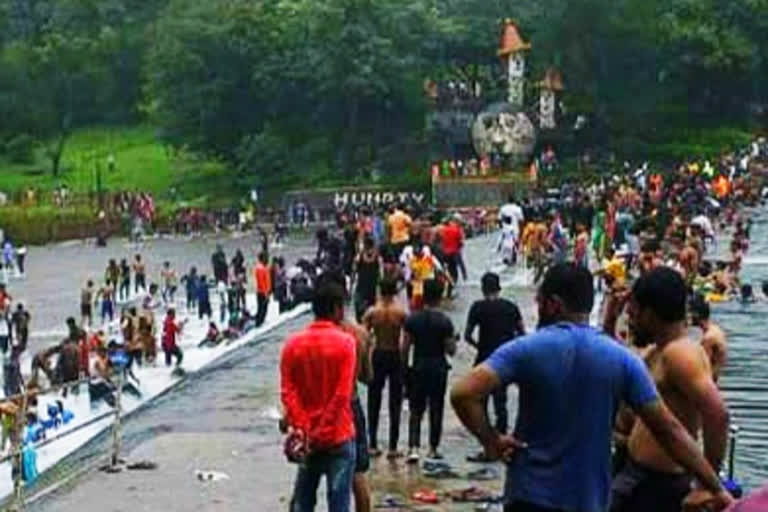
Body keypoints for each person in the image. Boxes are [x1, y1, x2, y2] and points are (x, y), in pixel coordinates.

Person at [450, 263, 733, 512]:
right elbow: (668, 429)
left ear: (552, 304)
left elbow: (463, 393)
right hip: (588, 498)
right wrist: (715, 486)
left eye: (539, 301)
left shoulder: (525, 349)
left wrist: (491, 440)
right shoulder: (622, 359)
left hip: (529, 494)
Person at [611, 268, 731, 512]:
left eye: (634, 312)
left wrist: (706, 485)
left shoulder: (681, 354)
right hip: (638, 477)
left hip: (660, 487)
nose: (631, 319)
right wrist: (609, 320)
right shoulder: (658, 352)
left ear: (651, 314)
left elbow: (717, 415)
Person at [280, 280, 357, 512]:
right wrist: (323, 430)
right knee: (339, 503)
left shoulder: (292, 345)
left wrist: (306, 428)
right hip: (338, 435)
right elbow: (342, 395)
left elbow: (288, 392)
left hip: (306, 439)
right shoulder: (346, 343)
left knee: (303, 502)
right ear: (336, 309)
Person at [464, 273, 525, 454]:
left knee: (479, 404)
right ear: (499, 287)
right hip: (505, 360)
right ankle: (502, 442)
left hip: (484, 359)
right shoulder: (511, 307)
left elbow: (467, 336)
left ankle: (486, 444)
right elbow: (522, 334)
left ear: (483, 288)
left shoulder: (477, 307)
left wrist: (479, 346)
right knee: (501, 403)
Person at [402, 279, 456, 463]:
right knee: (436, 407)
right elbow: (451, 350)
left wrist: (405, 370)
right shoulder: (445, 321)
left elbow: (405, 347)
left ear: (423, 295)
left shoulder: (413, 319)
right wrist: (453, 341)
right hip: (438, 368)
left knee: (416, 409)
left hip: (418, 366)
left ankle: (413, 447)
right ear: (440, 297)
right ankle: (433, 448)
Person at [362, 279, 407, 459]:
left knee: (374, 401)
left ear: (380, 291)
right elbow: (407, 339)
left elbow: (364, 338)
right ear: (395, 292)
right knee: (394, 402)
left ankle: (372, 444)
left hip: (378, 354)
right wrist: (404, 361)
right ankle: (393, 447)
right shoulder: (401, 312)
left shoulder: (372, 312)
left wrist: (364, 361)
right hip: (394, 354)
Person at [690, 294, 728, 383]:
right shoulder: (716, 330)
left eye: (689, 312)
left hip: (708, 383)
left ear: (696, 315)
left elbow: (703, 369)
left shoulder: (708, 338)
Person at [354, 236, 380, 322]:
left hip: (362, 284)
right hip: (372, 285)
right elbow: (380, 271)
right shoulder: (377, 256)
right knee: (372, 305)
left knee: (360, 305)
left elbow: (355, 269)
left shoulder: (360, 256)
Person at [439, 216, 464, 296]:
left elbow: (441, 241)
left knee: (446, 271)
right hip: (454, 253)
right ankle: (450, 290)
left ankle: (446, 289)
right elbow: (460, 242)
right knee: (454, 272)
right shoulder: (456, 230)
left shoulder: (443, 231)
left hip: (444, 253)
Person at [254, 252, 272, 327]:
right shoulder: (261, 269)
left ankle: (260, 321)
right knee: (262, 309)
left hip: (262, 291)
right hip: (262, 292)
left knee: (262, 308)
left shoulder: (262, 268)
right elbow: (262, 282)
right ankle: (260, 322)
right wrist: (266, 294)